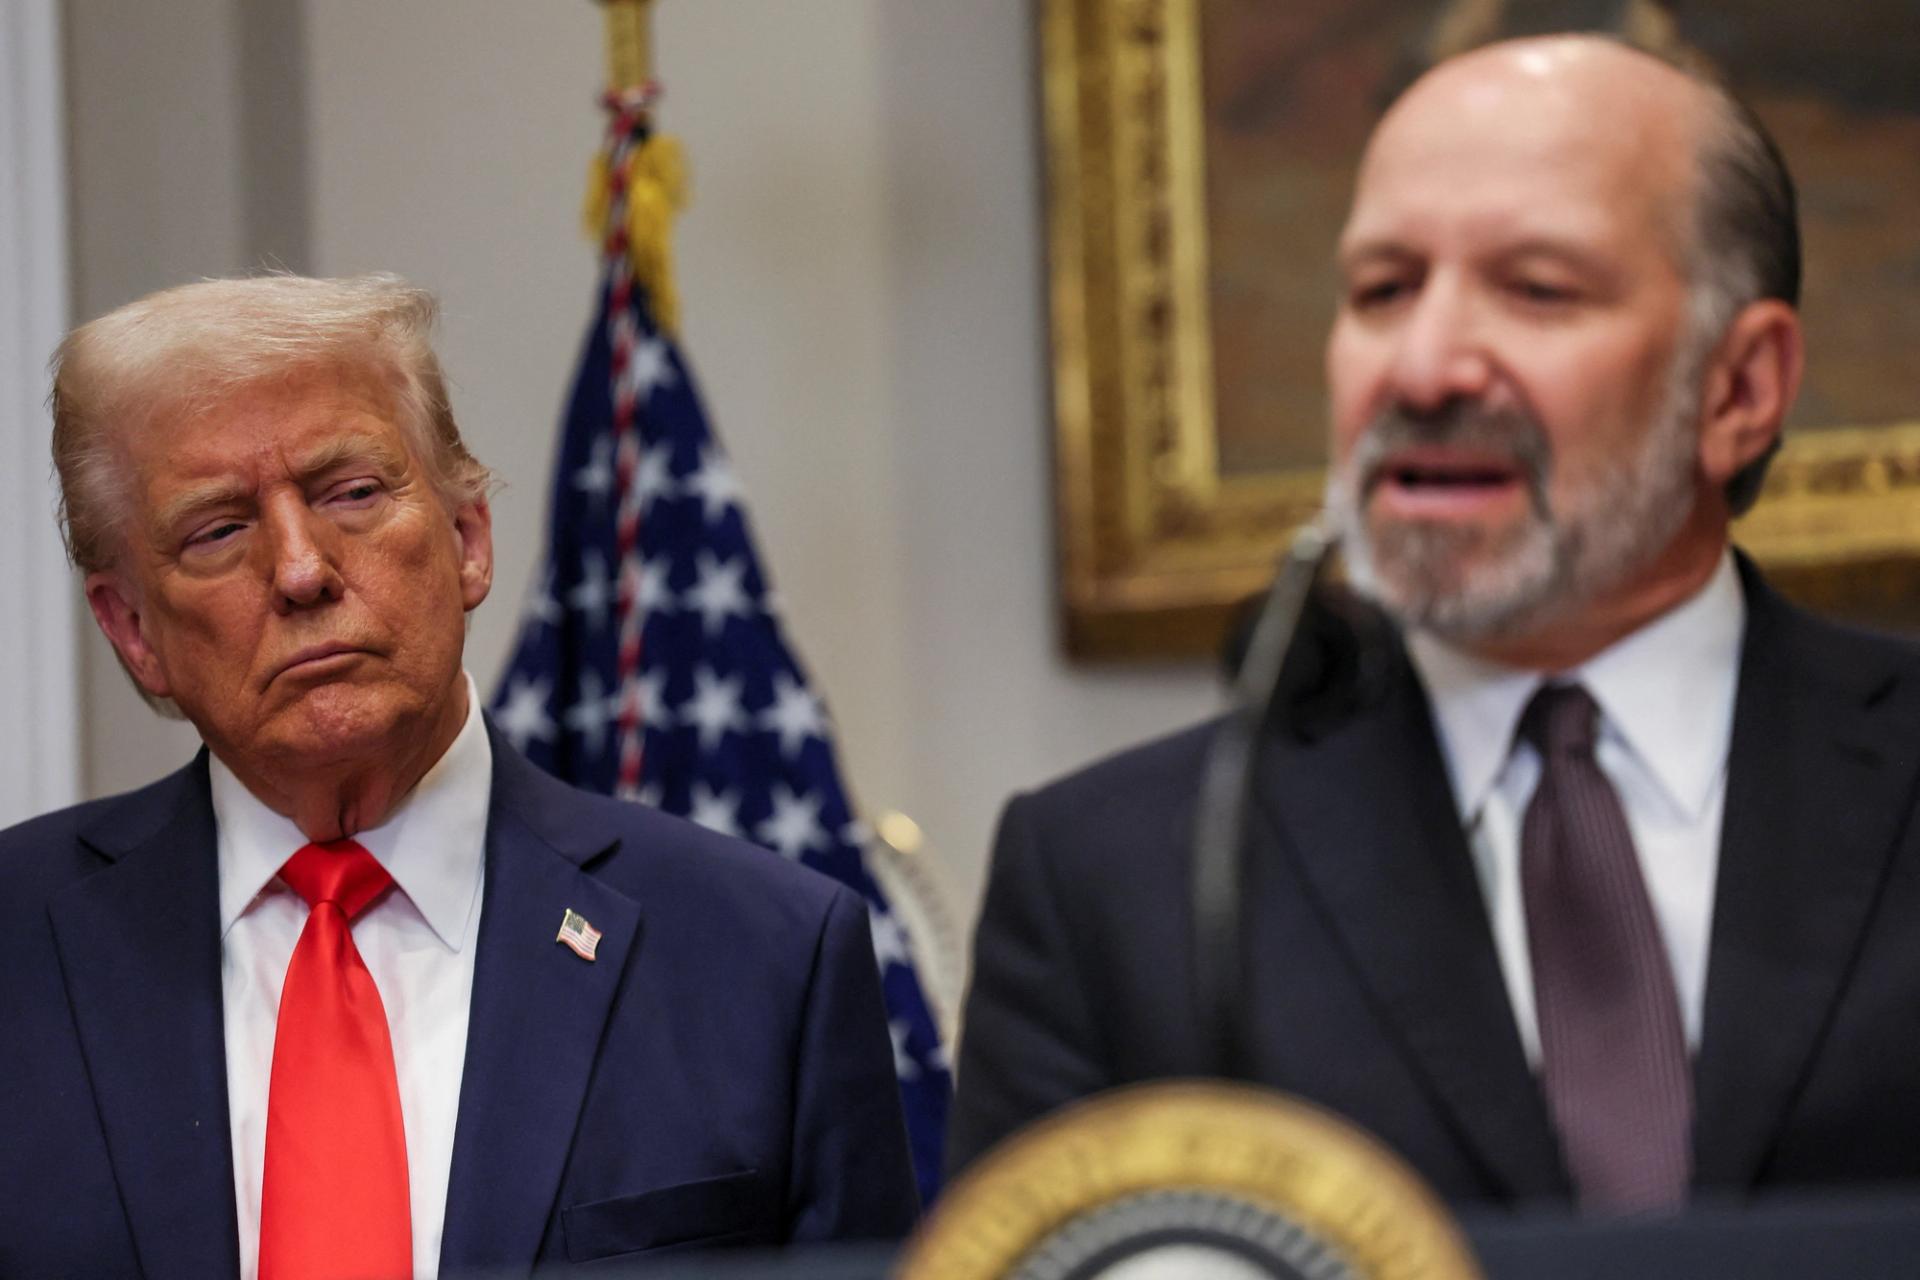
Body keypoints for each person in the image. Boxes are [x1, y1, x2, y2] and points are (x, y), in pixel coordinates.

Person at [952, 34, 1920, 1212]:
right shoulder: (1116, 880)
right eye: (1382, 290)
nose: (1422, 366)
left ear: (1740, 388)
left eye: (1537, 289)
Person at [0, 274, 917, 1278]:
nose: (302, 568)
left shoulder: (765, 956)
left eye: (351, 491)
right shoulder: (19, 942)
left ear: (468, 539)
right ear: (132, 628)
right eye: (219, 529)